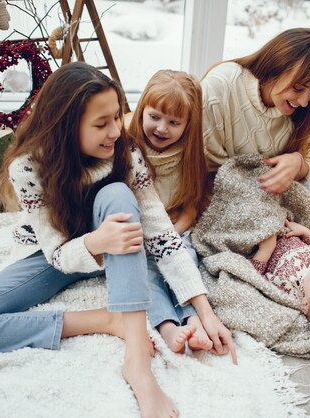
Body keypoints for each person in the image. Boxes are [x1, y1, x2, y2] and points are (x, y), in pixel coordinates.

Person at [0, 62, 234, 418]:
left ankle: (137, 363)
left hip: (115, 250)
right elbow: (57, 254)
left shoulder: (125, 150)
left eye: (115, 118)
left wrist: (206, 310)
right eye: (101, 124)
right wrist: (96, 243)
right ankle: (108, 320)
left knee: (119, 196)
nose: (115, 131)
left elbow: (161, 233)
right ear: (67, 124)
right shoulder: (28, 167)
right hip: (55, 256)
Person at [202, 28, 310, 244]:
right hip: (237, 187)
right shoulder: (221, 85)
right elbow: (208, 164)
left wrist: (299, 163)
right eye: (298, 88)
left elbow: (309, 157)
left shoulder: (307, 107)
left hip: (287, 179)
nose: (304, 101)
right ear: (275, 66)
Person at [128, 70, 217, 355]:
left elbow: (190, 210)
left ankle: (193, 319)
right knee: (147, 275)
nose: (162, 128)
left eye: (174, 122)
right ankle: (168, 327)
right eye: (154, 117)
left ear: (188, 125)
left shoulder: (189, 156)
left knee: (186, 261)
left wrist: (170, 237)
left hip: (175, 229)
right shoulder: (126, 148)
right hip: (139, 235)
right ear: (142, 110)